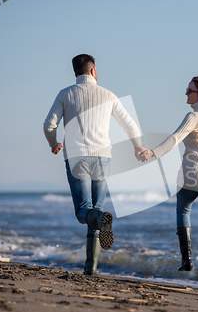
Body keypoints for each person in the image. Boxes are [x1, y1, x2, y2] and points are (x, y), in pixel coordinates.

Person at [43, 54, 146, 275]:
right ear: (93, 71)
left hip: (76, 157)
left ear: (75, 73)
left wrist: (54, 143)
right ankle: (91, 268)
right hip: (103, 157)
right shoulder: (108, 95)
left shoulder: (65, 94)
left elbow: (48, 125)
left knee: (83, 212)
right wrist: (138, 147)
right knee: (95, 209)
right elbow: (131, 125)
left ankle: (97, 232)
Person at [140, 76, 198, 286]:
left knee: (183, 211)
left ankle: (187, 260)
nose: (186, 94)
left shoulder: (193, 116)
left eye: (189, 91)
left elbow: (175, 138)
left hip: (191, 174)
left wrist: (153, 152)